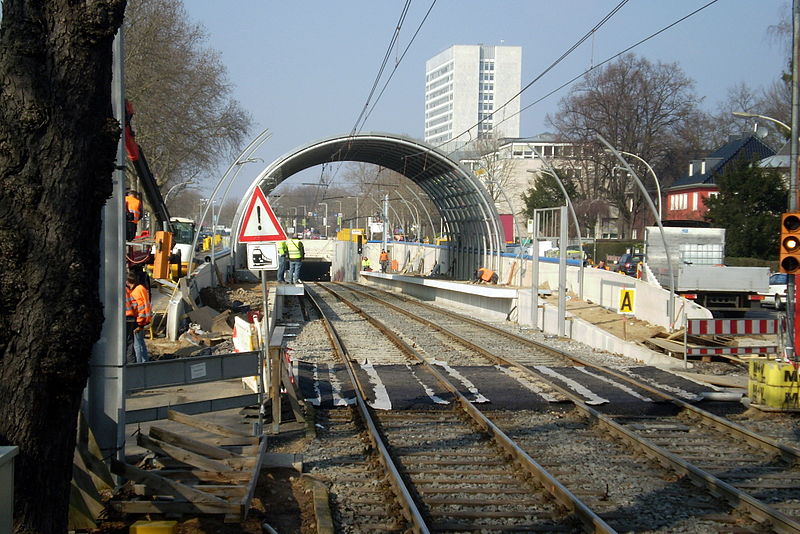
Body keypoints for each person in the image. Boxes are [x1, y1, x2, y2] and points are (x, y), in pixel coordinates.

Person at [125, 271, 152, 363]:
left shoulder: (135, 292)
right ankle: (144, 362)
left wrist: (139, 324)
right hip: (144, 320)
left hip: (138, 321)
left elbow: (140, 308)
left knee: (137, 345)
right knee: (140, 343)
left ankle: (140, 363)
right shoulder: (141, 288)